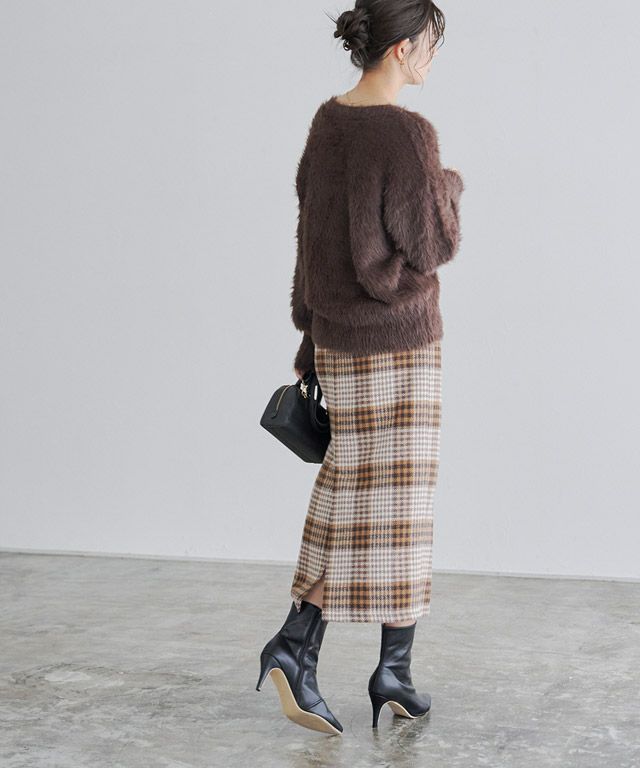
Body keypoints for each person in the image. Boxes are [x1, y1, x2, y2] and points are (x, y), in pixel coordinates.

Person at [256, 0, 465, 735]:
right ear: (402, 48)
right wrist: (449, 185)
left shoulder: (328, 123)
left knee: (349, 493)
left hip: (339, 342)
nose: (432, 57)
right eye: (429, 43)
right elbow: (433, 244)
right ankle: (360, 663)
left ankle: (356, 663)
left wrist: (309, 340)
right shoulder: (407, 134)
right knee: (400, 508)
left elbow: (309, 244)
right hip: (401, 343)